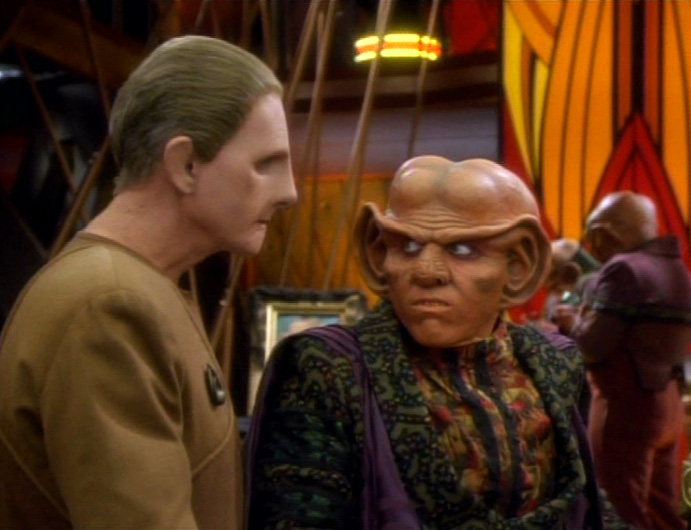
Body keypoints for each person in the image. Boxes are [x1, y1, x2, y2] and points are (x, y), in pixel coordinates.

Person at [0, 35, 296, 529]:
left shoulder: (134, 291)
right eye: (265, 164)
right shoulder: (111, 305)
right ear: (185, 165)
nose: (289, 192)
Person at [248, 157, 631, 529]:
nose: (426, 272)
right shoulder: (329, 366)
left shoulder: (553, 361)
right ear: (378, 253)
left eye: (463, 249)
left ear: (519, 265)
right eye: (407, 246)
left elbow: (584, 502)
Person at [571, 190, 691, 530]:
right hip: (667, 403)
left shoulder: (623, 269)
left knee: (619, 507)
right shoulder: (676, 268)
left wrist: (575, 320)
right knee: (662, 508)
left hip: (626, 406)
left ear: (606, 233)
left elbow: (592, 345)